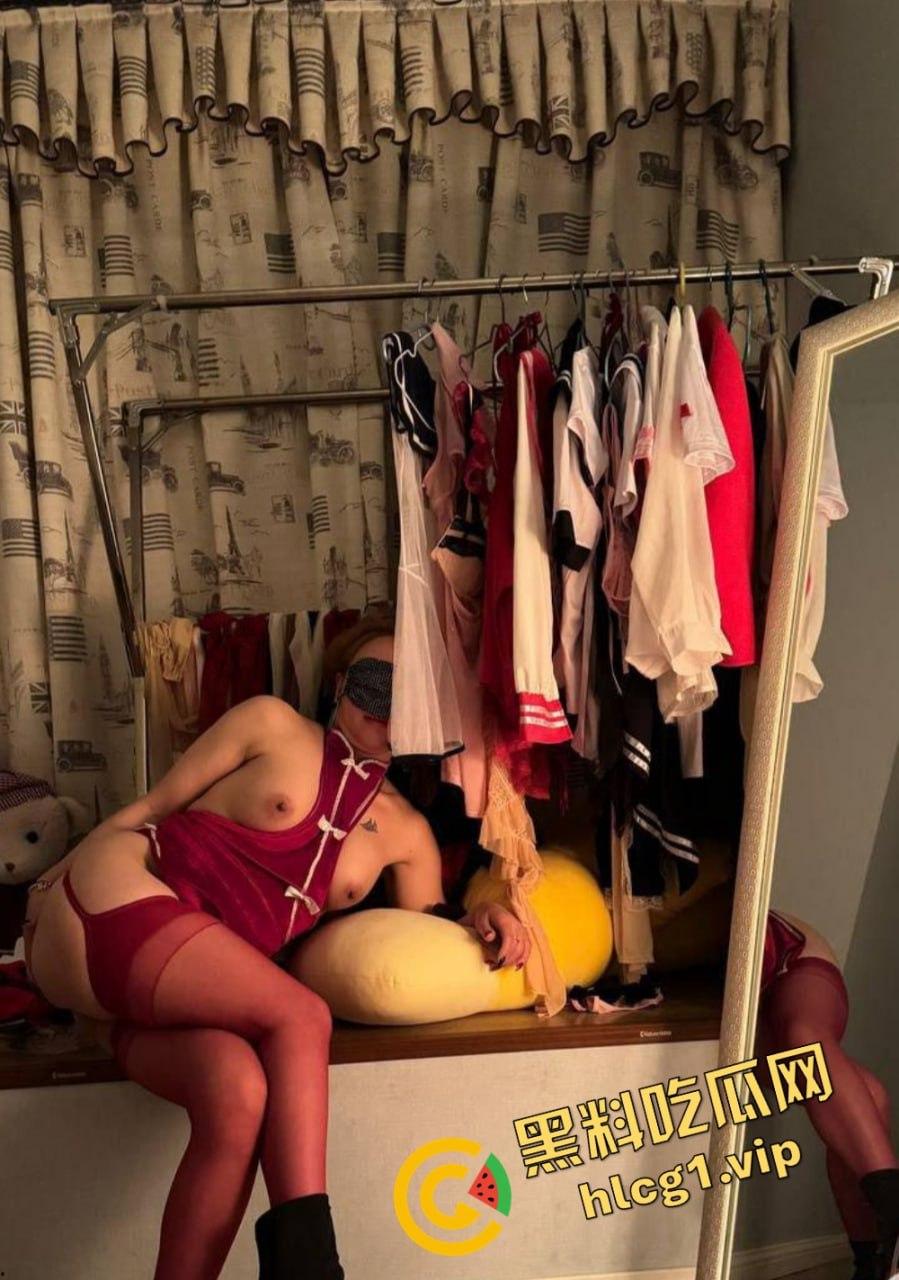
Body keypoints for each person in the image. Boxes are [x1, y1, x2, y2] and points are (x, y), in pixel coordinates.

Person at [21, 612, 530, 1280]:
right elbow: (153, 806)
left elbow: (425, 936)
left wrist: (486, 910)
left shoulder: (407, 834)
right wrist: (46, 882)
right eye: (374, 683)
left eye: (409, 693)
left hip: (147, 995)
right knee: (300, 1014)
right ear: (340, 683)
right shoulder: (271, 723)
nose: (386, 705)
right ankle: (311, 1269)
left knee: (236, 1092)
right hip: (119, 892)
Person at [757, 911, 899, 1280]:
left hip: (791, 958)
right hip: (733, 996)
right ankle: (872, 1265)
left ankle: (892, 1220)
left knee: (804, 1039)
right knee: (864, 1097)